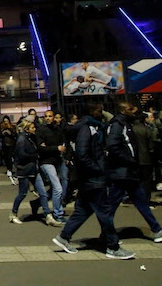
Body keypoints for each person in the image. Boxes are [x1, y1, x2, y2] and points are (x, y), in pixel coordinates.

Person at [52, 103, 135, 260]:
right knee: (104, 213)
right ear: (91, 112)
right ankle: (113, 247)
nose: (101, 112)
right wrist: (98, 169)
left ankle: (64, 237)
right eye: (98, 110)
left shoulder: (91, 127)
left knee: (82, 211)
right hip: (93, 179)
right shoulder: (87, 128)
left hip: (89, 179)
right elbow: (82, 155)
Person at [105, 102, 162, 243]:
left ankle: (157, 229)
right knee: (112, 205)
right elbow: (113, 146)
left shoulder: (124, 123)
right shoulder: (118, 125)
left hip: (126, 170)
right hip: (122, 171)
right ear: (122, 110)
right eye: (130, 109)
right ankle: (107, 235)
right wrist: (129, 159)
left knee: (139, 200)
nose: (133, 111)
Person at [9, 120, 50, 224]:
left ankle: (48, 215)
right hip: (24, 170)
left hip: (33, 169)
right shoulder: (22, 139)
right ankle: (13, 214)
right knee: (22, 194)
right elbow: (22, 155)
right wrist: (35, 156)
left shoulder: (30, 138)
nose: (34, 129)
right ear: (27, 129)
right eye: (32, 127)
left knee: (43, 193)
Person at [35, 110, 66, 226]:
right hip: (46, 162)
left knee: (56, 187)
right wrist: (56, 148)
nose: (48, 118)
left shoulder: (57, 129)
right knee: (58, 188)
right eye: (46, 116)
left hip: (56, 160)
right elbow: (41, 148)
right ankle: (58, 213)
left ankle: (37, 203)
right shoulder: (41, 130)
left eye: (50, 116)